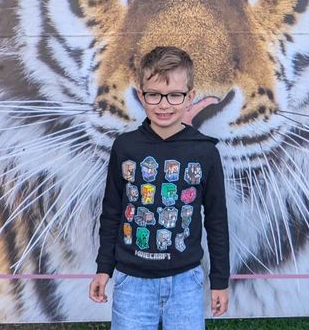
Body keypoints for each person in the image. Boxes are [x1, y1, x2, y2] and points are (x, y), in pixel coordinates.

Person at [89, 46, 230, 329]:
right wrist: (104, 268)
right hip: (132, 282)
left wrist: (220, 281)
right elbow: (112, 211)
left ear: (190, 97)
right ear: (141, 96)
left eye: (174, 95)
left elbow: (216, 221)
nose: (163, 104)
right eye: (154, 94)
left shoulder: (205, 152)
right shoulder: (125, 147)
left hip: (185, 282)